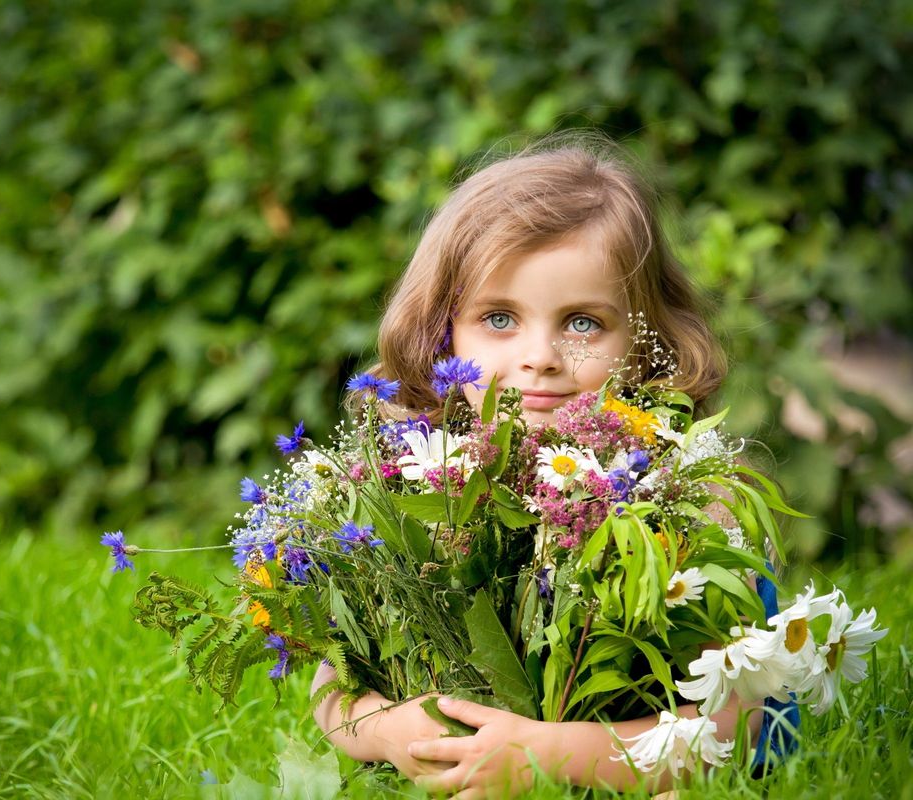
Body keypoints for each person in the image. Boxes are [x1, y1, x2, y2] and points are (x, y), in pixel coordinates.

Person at [309, 138, 797, 796]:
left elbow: (736, 727)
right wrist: (390, 731)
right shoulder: (407, 486)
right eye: (500, 317)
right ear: (441, 332)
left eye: (583, 323)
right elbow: (332, 687)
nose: (540, 356)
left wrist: (546, 755)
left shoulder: (686, 505)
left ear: (645, 341)